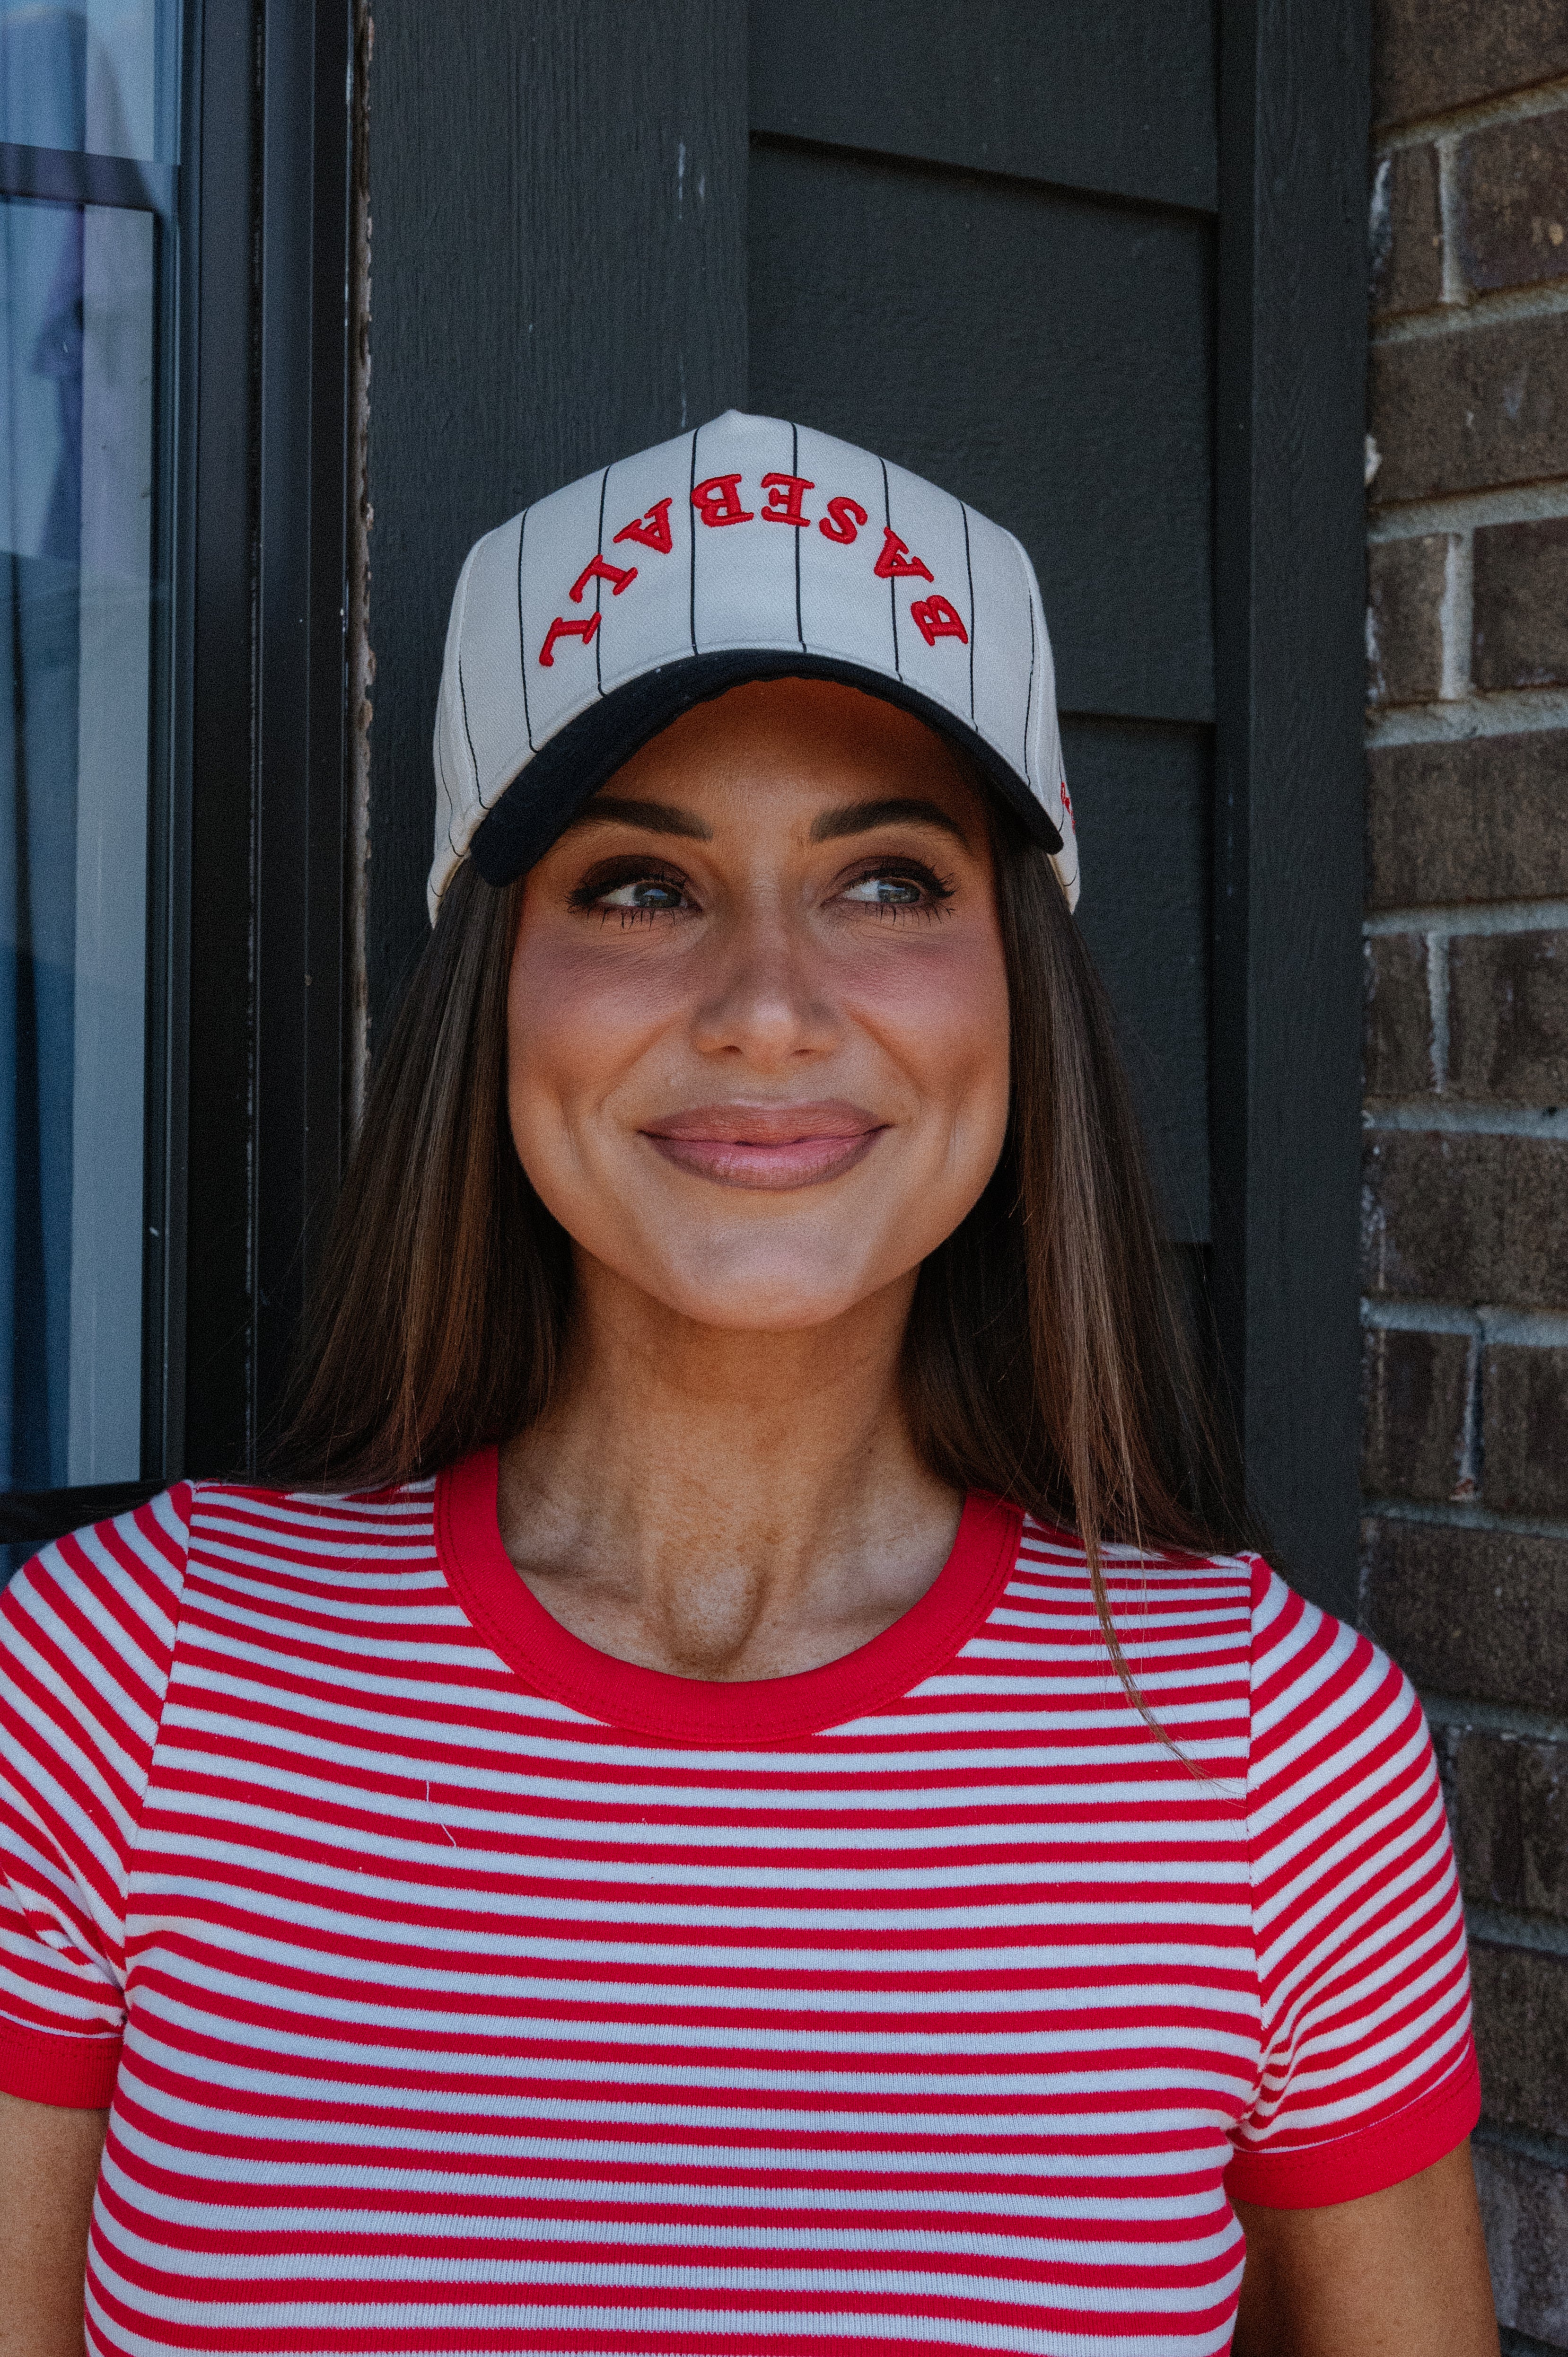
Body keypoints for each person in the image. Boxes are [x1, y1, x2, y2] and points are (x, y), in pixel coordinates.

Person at [0, 413, 1497, 2356]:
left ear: (1017, 986)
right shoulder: (123, 1682)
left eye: (885, 881)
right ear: (495, 979)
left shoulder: (1269, 1753)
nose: (772, 1003)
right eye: (640, 886)